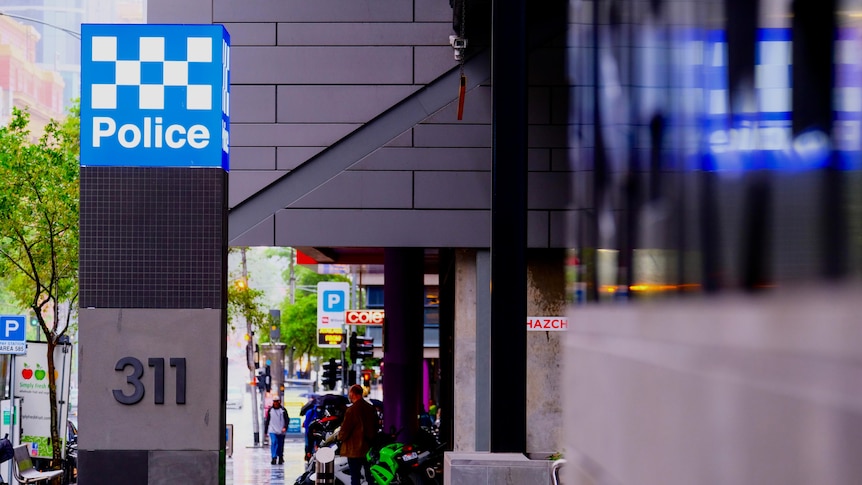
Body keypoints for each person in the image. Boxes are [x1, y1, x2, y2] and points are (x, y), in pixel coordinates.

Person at [338, 384, 379, 485]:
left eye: (349, 393)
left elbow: (345, 430)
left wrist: (339, 437)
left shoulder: (351, 410)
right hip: (368, 448)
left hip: (354, 449)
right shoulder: (370, 408)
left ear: (352, 394)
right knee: (370, 476)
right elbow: (376, 426)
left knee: (355, 477)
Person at [264, 397, 288, 465]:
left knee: (280, 444)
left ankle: (280, 456)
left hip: (281, 430)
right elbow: (267, 420)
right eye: (274, 401)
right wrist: (265, 431)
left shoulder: (283, 410)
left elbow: (287, 419)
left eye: (277, 401)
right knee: (274, 442)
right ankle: (274, 457)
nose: (276, 403)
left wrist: (285, 427)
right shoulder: (270, 410)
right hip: (272, 430)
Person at [301, 396, 319, 461]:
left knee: (309, 444)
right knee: (309, 444)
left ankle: (309, 456)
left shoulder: (310, 412)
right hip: (310, 432)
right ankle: (309, 456)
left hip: (311, 432)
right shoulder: (312, 412)